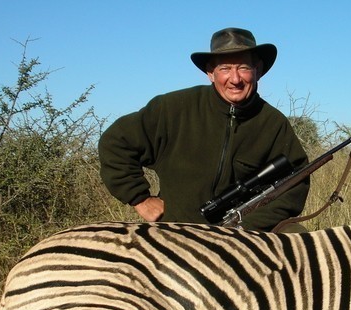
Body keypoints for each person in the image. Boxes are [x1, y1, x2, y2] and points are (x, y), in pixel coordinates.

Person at [98, 27, 309, 231]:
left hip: (246, 236)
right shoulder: (172, 108)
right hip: (176, 232)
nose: (235, 79)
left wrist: (245, 227)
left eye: (244, 67)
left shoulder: (273, 123)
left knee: (297, 236)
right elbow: (115, 143)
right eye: (225, 68)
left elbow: (295, 184)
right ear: (210, 73)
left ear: (258, 71)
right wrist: (141, 199)